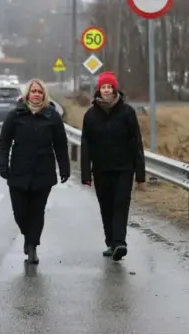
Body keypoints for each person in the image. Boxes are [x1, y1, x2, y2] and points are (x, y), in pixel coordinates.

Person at [0, 78, 70, 264]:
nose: (36, 94)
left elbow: (60, 145)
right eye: (33, 91)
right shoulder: (15, 115)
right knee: (20, 212)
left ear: (44, 95)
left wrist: (64, 168)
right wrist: (3, 165)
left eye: (40, 91)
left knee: (37, 211)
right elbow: (4, 142)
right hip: (19, 171)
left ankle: (32, 246)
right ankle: (27, 235)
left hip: (43, 172)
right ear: (27, 94)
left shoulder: (51, 117)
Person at [80, 71, 146, 261]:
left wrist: (140, 173)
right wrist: (86, 174)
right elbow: (86, 145)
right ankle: (110, 242)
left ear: (115, 89)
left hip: (124, 168)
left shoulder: (127, 112)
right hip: (101, 169)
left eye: (110, 87)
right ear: (98, 90)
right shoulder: (91, 115)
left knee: (120, 205)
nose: (107, 90)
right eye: (104, 87)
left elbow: (136, 143)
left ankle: (120, 243)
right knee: (106, 206)